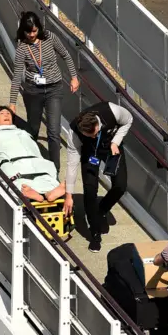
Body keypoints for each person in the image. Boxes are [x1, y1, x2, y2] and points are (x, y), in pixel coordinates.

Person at [9, 12, 79, 175]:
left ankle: (55, 170)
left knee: (53, 131)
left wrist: (74, 77)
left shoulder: (50, 38)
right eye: (28, 32)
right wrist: (12, 102)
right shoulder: (22, 49)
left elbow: (66, 55)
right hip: (33, 91)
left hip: (54, 89)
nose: (32, 35)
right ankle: (29, 160)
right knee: (33, 129)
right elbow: (17, 75)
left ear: (39, 28)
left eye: (34, 31)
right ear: (23, 31)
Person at [63, 101, 133, 252]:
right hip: (90, 154)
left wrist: (115, 142)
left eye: (95, 133)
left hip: (112, 146)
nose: (94, 136)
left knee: (120, 185)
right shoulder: (74, 132)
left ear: (97, 123)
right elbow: (72, 164)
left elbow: (128, 120)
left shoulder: (112, 110)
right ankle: (94, 234)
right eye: (90, 136)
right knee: (89, 191)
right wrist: (68, 195)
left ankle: (101, 209)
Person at [0, 106, 66, 202]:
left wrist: (13, 113)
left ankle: (49, 193)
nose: (6, 115)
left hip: (33, 160)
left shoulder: (23, 132)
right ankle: (30, 192)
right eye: (2, 113)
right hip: (12, 162)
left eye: (8, 113)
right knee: (13, 175)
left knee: (44, 174)